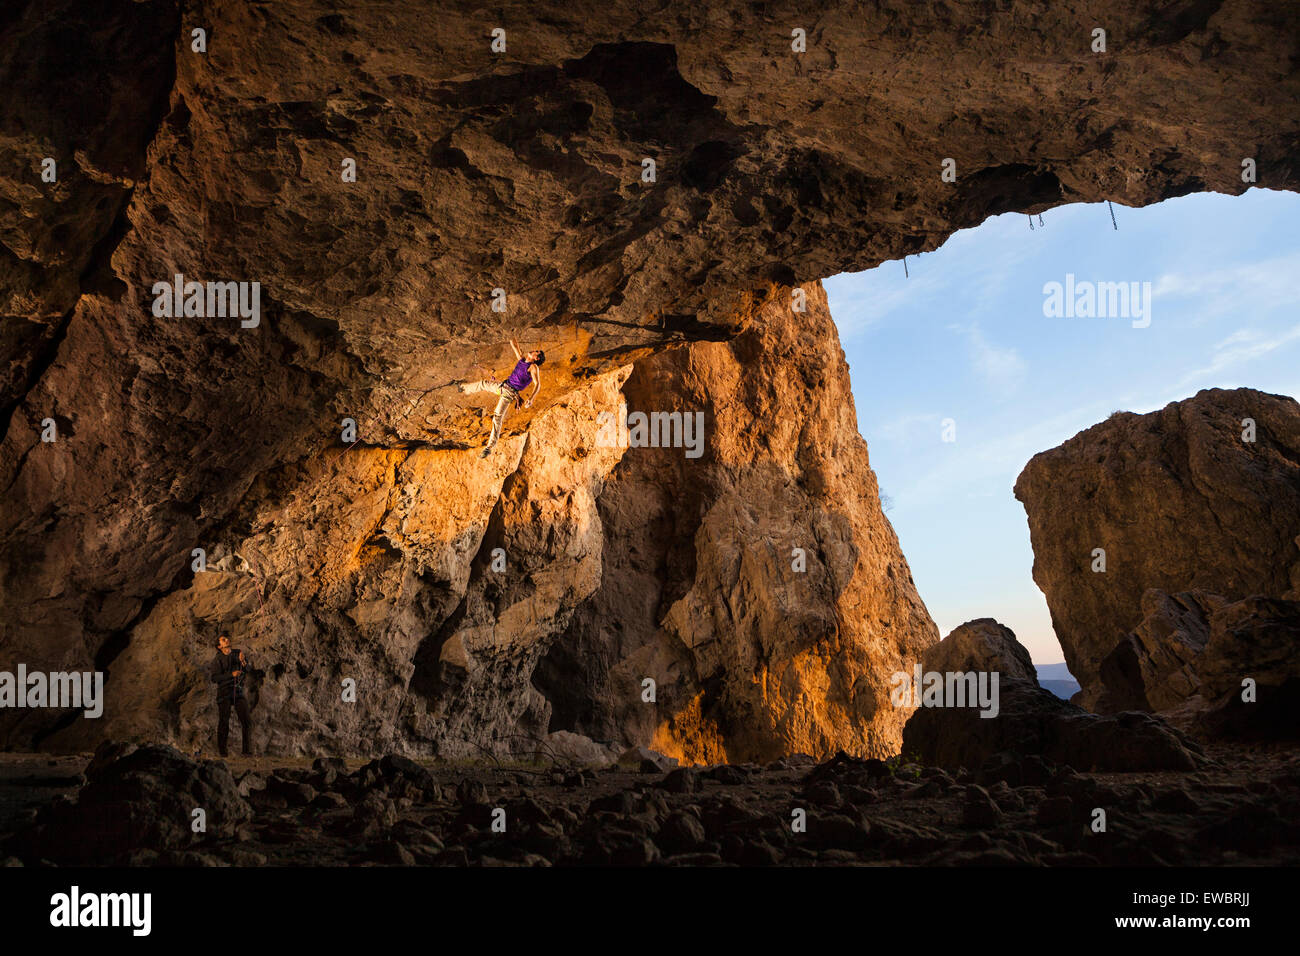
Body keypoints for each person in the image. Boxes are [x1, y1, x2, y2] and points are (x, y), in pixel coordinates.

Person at [459, 338, 544, 457]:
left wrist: (532, 398)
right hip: (502, 386)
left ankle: (489, 447)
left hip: (508, 393)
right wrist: (511, 334)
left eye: (536, 352)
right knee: (483, 384)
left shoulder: (533, 367)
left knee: (497, 417)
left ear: (537, 358)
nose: (533, 350)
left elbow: (537, 383)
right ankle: (462, 388)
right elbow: (515, 346)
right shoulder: (522, 360)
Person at [209, 634, 253, 757]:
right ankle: (223, 753)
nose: (227, 640)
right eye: (223, 640)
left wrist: (243, 662)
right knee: (224, 722)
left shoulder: (238, 653)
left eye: (226, 638)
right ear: (219, 646)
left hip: (238, 691)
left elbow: (249, 670)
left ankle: (247, 752)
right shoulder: (217, 660)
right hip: (224, 692)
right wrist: (231, 675)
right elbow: (214, 678)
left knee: (247, 721)